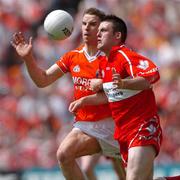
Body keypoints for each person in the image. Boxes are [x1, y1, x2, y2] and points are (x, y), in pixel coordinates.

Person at [11, 8, 125, 180]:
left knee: (130, 176)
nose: (86, 28)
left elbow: (120, 92)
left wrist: (89, 97)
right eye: (84, 23)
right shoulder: (73, 56)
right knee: (64, 155)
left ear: (102, 29)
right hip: (87, 126)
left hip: (115, 124)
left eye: (93, 24)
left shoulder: (113, 56)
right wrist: (28, 58)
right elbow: (43, 80)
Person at [69, 15, 163, 180]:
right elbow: (110, 95)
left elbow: (151, 76)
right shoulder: (105, 63)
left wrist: (124, 84)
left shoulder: (125, 55)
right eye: (97, 31)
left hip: (142, 126)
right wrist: (84, 101)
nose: (98, 34)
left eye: (103, 30)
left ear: (117, 36)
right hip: (123, 133)